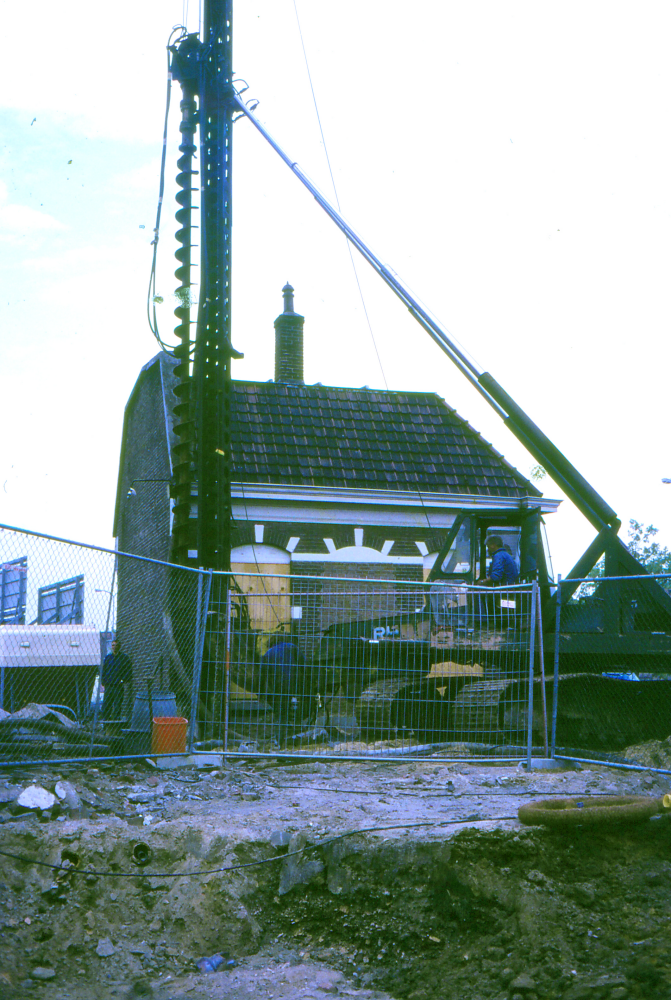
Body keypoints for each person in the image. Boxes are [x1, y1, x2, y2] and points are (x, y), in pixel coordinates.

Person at [100, 638, 132, 720]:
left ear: (119, 646)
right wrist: (104, 682)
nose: (114, 647)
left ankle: (116, 722)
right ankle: (106, 722)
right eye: (113, 645)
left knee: (118, 704)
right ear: (111, 646)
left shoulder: (124, 658)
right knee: (107, 704)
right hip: (109, 685)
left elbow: (128, 670)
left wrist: (124, 680)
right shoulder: (108, 658)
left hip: (118, 685)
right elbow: (104, 670)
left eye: (116, 645)